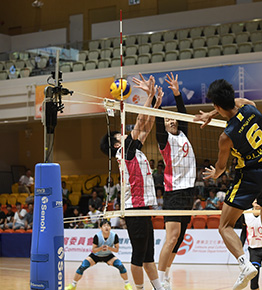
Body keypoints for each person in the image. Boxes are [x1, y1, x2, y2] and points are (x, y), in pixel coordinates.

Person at [195, 79, 262, 290]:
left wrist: (216, 173)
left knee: (224, 226)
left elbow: (221, 166)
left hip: (249, 177)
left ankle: (245, 265)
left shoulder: (226, 136)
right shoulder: (251, 108)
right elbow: (235, 103)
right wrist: (212, 113)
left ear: (216, 106)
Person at [100, 74, 165, 290]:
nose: (123, 133)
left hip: (143, 208)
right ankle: (139, 288)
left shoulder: (132, 149)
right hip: (135, 209)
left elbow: (146, 126)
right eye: (120, 134)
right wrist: (148, 95)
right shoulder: (125, 151)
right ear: (117, 143)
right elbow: (139, 121)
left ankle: (159, 287)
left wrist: (155, 104)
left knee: (149, 255)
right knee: (139, 255)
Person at [153, 72, 196, 290]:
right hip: (174, 192)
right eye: (168, 120)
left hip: (189, 192)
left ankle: (167, 275)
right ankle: (159, 280)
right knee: (171, 238)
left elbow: (183, 113)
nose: (172, 121)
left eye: (174, 119)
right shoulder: (165, 140)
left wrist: (177, 94)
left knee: (179, 239)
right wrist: (157, 105)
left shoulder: (183, 134)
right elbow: (159, 123)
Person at [65, 220, 133, 290]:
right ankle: (73, 285)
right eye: (104, 226)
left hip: (108, 255)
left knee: (121, 266)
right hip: (96, 255)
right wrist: (100, 248)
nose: (106, 227)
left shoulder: (114, 236)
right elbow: (94, 250)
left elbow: (116, 250)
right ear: (101, 228)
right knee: (82, 267)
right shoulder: (97, 236)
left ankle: (127, 284)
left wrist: (109, 248)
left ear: (110, 227)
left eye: (108, 226)